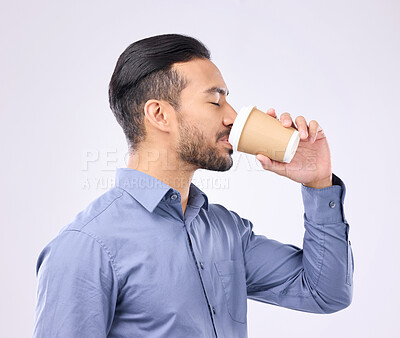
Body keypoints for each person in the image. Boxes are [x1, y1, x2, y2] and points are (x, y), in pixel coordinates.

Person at [33, 34, 354, 337]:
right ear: (159, 114)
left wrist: (317, 182)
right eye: (215, 101)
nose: (232, 116)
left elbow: (324, 293)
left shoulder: (226, 230)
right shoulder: (87, 246)